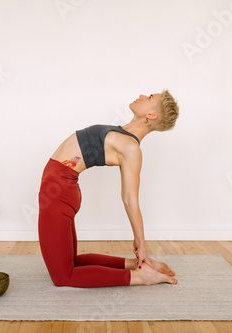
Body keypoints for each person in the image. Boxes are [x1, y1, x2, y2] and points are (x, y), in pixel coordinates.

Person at [38, 90, 179, 288]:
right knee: (72, 262)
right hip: (60, 190)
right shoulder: (123, 132)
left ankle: (141, 277)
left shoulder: (131, 148)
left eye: (149, 98)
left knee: (63, 277)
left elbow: (130, 199)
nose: (141, 95)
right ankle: (137, 266)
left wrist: (142, 245)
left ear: (151, 116)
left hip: (57, 194)